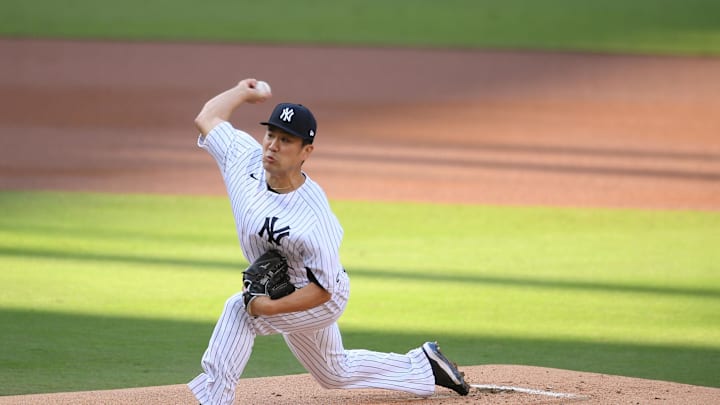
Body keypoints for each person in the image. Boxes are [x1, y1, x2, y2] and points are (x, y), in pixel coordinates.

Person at [187, 78, 470, 404]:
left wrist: (268, 307)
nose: (272, 146)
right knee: (333, 372)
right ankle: (423, 366)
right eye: (270, 135)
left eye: (286, 140)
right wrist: (241, 92)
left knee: (240, 311)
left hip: (319, 296)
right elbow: (208, 118)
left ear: (306, 151)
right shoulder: (243, 159)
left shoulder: (312, 216)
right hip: (285, 289)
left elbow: (323, 290)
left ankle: (214, 399)